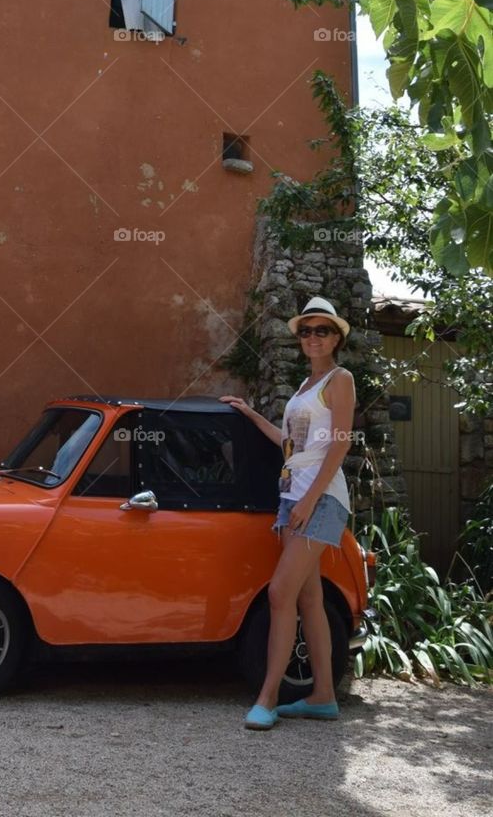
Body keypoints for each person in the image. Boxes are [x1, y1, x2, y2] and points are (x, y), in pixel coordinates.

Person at [221, 296, 356, 730]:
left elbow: (340, 444)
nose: (313, 338)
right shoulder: (303, 388)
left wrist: (310, 500)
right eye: (306, 331)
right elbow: (290, 444)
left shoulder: (340, 379)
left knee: (280, 593)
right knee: (308, 597)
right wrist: (249, 414)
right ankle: (323, 697)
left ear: (336, 337)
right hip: (292, 494)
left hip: (320, 498)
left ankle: (268, 696)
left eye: (323, 330)